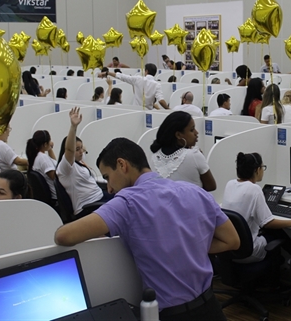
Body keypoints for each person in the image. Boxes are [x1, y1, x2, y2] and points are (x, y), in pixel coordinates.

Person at [54, 137, 239, 321]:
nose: (109, 188)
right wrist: (189, 246)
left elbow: (63, 236)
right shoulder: (194, 191)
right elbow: (232, 240)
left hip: (172, 315)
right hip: (211, 305)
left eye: (107, 177)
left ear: (122, 164)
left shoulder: (127, 202)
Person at [222, 152, 291, 263]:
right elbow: (268, 223)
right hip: (248, 251)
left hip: (230, 250)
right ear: (256, 170)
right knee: (278, 233)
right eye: (262, 167)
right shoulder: (254, 189)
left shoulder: (230, 184)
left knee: (268, 230)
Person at [56, 108, 113, 218]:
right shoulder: (66, 168)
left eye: (82, 148)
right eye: (77, 149)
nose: (81, 151)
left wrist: (81, 148)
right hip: (89, 207)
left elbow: (81, 150)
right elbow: (69, 150)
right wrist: (74, 127)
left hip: (100, 198)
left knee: (126, 197)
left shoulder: (79, 162)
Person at [150, 111, 216, 192]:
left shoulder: (155, 157)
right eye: (192, 130)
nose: (196, 133)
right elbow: (211, 186)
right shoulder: (194, 155)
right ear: (178, 135)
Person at [100, 63, 169, 110]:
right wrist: (168, 109)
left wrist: (107, 73)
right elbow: (161, 101)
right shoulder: (157, 85)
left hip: (135, 111)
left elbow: (121, 76)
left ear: (146, 71)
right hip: (148, 112)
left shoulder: (137, 79)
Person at [26, 130, 57, 200]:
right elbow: (54, 177)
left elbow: (54, 162)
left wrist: (49, 149)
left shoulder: (36, 156)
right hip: (55, 197)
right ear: (45, 144)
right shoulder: (43, 158)